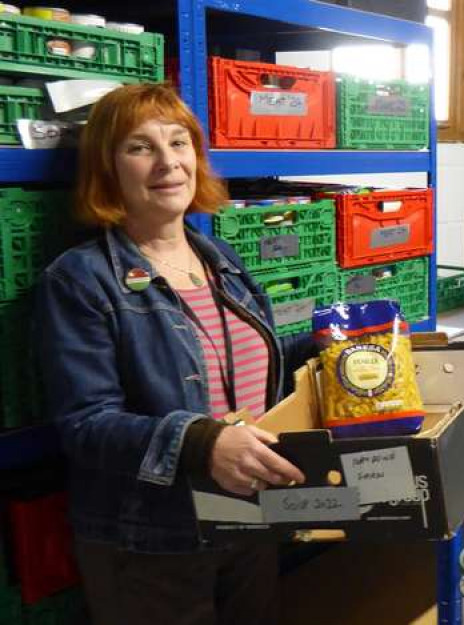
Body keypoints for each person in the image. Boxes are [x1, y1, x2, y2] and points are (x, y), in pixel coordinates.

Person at [35, 83, 314, 625]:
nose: (168, 162)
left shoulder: (219, 260)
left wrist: (320, 348)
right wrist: (202, 442)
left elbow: (241, 369)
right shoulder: (81, 280)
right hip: (152, 542)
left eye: (179, 142)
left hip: (249, 515)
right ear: (108, 169)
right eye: (140, 147)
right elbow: (86, 423)